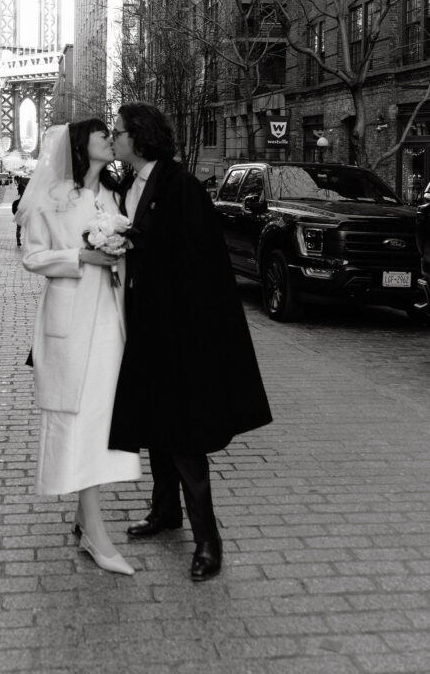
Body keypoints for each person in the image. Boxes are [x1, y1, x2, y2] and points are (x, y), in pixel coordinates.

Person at [109, 102, 272, 582]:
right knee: (155, 421)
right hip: (143, 322)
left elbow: (200, 260)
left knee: (182, 433)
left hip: (179, 326)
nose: (114, 139)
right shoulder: (129, 186)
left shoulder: (179, 185)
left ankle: (208, 539)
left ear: (139, 137)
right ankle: (165, 512)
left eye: (118, 132)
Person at [18, 120, 141, 576]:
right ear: (79, 144)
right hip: (69, 318)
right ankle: (95, 530)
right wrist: (81, 257)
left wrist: (116, 254)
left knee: (102, 416)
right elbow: (32, 256)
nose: (110, 138)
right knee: (77, 416)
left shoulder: (112, 196)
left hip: (108, 318)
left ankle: (83, 516)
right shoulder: (50, 199)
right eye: (101, 134)